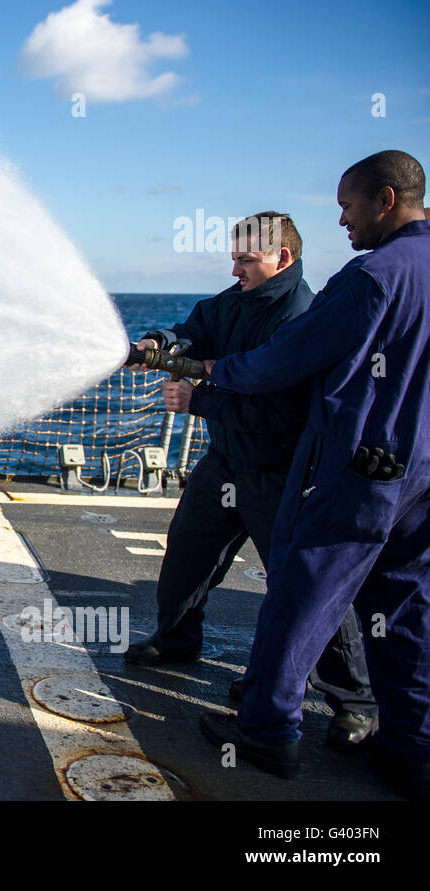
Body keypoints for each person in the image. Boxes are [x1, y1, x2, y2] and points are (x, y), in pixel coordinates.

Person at [196, 150, 430, 799]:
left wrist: (221, 372)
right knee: (406, 606)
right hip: (423, 474)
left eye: (348, 208)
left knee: (302, 593)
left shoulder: (374, 276)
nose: (343, 223)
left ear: (385, 200)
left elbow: (289, 357)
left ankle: (269, 729)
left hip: (364, 468)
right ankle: (412, 746)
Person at [124, 212, 378, 751]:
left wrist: (200, 400)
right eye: (233, 258)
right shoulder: (231, 301)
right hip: (224, 462)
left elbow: (282, 411)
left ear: (282, 258)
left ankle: (355, 702)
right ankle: (176, 640)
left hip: (279, 475)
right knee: (187, 552)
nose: (235, 268)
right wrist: (157, 341)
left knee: (306, 587)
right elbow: (193, 330)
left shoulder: (300, 316)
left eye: (246, 259)